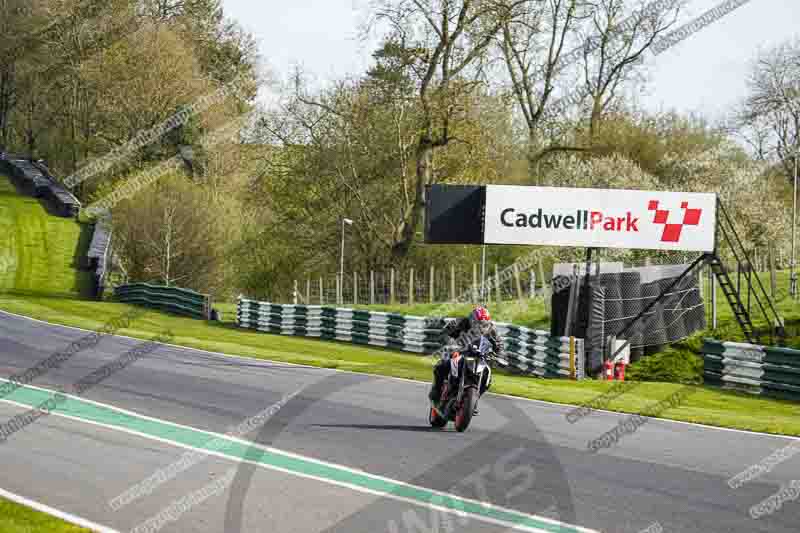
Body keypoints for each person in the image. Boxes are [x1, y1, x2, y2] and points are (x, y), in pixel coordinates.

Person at [428, 306, 504, 414]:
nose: (480, 326)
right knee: (441, 366)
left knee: (487, 379)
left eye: (483, 323)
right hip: (459, 352)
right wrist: (451, 344)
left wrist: (498, 356)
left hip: (479, 357)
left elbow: (500, 345)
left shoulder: (491, 329)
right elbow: (445, 333)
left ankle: (473, 401)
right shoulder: (461, 322)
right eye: (478, 322)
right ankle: (436, 392)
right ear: (472, 320)